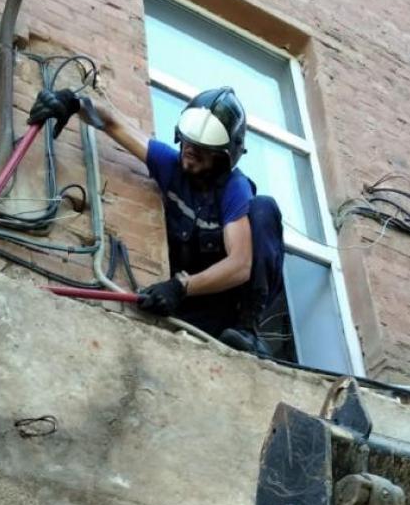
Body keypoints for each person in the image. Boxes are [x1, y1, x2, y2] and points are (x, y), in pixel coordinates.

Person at [27, 84, 285, 355]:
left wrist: (180, 286)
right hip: (191, 311)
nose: (190, 150)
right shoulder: (170, 166)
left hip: (224, 305)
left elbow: (240, 264)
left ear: (223, 158)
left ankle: (248, 332)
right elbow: (114, 123)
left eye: (202, 148)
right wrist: (74, 103)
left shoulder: (234, 188)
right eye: (188, 142)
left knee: (264, 208)